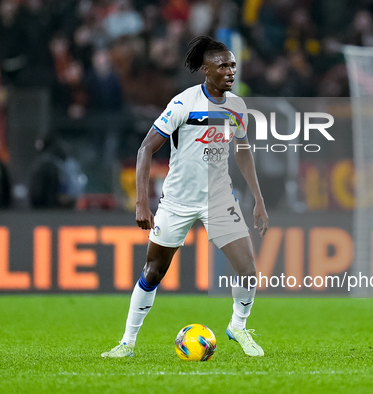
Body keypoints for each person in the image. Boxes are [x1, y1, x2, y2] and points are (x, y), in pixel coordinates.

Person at [101, 36, 269, 358]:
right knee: (153, 271)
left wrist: (259, 200)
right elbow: (145, 148)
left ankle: (238, 326)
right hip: (177, 200)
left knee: (248, 269)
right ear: (206, 70)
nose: (230, 71)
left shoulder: (237, 107)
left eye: (233, 65)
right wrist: (141, 202)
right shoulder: (183, 104)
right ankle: (127, 343)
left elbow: (243, 151)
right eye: (223, 66)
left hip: (219, 199)